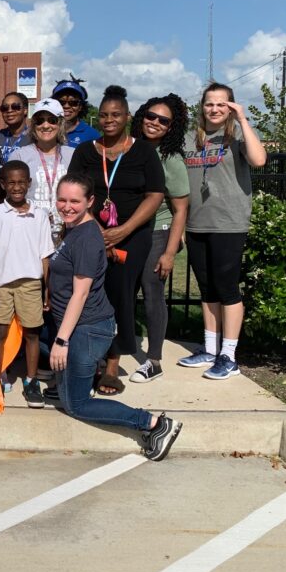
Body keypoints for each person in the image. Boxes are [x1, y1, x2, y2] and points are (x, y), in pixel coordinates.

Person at [47, 173, 182, 461]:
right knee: (65, 382)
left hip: (86, 328)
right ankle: (72, 384)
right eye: (62, 199)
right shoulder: (74, 229)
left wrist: (61, 339)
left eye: (74, 201)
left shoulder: (84, 238)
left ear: (90, 202)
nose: (67, 206)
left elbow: (80, 294)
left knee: (78, 404)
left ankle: (153, 424)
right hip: (81, 326)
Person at [68, 86, 164, 395]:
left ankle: (111, 363)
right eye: (105, 115)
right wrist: (96, 229)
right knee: (89, 292)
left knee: (120, 293)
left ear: (127, 117)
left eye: (116, 115)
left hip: (132, 236)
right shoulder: (85, 151)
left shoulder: (144, 151)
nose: (109, 120)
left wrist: (123, 231)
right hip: (90, 231)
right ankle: (88, 357)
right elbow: (75, 192)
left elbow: (155, 195)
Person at [178, 83, 267, 380]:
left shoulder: (237, 133)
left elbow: (259, 160)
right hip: (196, 223)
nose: (214, 109)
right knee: (207, 289)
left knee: (227, 287)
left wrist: (242, 119)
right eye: (209, 104)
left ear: (230, 106)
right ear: (201, 107)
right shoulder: (190, 137)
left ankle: (229, 355)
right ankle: (210, 348)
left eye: (221, 104)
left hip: (228, 223)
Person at [0, 160, 54, 408]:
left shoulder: (40, 215)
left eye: (22, 182)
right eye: (11, 182)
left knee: (32, 333)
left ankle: (31, 380)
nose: (17, 187)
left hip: (31, 283)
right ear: (3, 184)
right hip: (1, 283)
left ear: (29, 183)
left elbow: (45, 255)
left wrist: (46, 287)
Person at [128, 94, 190, 384]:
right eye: (150, 116)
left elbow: (180, 209)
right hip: (130, 231)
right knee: (122, 292)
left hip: (158, 231)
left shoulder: (171, 160)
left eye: (163, 120)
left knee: (152, 293)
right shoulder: (129, 150)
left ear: (171, 127)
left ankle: (153, 360)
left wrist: (169, 252)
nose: (154, 123)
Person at [13, 97, 74, 246]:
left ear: (60, 124)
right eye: (40, 120)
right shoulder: (19, 155)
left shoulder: (73, 154)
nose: (45, 125)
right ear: (33, 126)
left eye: (52, 120)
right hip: (29, 233)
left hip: (67, 233)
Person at [51, 76, 100, 147]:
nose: (66, 106)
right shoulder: (45, 131)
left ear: (80, 107)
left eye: (73, 102)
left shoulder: (92, 135)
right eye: (61, 102)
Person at [0, 93, 31, 162]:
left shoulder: (34, 138)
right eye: (5, 108)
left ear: (25, 110)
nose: (9, 110)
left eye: (15, 107)